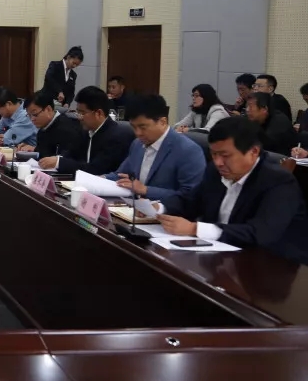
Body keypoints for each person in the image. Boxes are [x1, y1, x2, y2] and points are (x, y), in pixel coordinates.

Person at [156, 117, 308, 264]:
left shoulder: (279, 183)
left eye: (225, 155)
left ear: (253, 152)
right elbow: (191, 200)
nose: (218, 162)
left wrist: (194, 229)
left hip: (270, 265)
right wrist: (158, 208)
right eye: (214, 154)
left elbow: (260, 233)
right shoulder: (215, 171)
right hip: (220, 257)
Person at [106, 94, 206, 202]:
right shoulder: (137, 144)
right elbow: (121, 175)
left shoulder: (188, 151)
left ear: (162, 122)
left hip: (166, 210)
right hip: (134, 207)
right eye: (134, 127)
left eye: (143, 127)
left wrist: (146, 190)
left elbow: (190, 196)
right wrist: (99, 179)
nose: (138, 133)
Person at [55, 86, 135, 175]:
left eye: (82, 113)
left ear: (99, 113)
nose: (79, 117)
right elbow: (70, 154)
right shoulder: (85, 131)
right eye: (78, 112)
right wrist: (57, 159)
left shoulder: (116, 137)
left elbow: (96, 170)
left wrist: (59, 163)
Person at [18, 91, 85, 166]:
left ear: (48, 109)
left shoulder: (67, 128)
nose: (32, 119)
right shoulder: (43, 129)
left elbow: (70, 159)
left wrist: (57, 161)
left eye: (35, 114)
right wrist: (34, 149)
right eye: (29, 115)